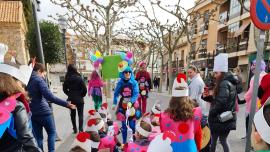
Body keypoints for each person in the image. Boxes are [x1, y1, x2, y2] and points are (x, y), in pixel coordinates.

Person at [0, 43, 41, 151]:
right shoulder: (16, 105)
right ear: (12, 82)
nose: (22, 85)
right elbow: (27, 139)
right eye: (19, 81)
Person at [27, 63, 76, 152]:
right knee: (51, 132)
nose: (44, 76)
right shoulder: (39, 80)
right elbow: (50, 97)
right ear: (39, 71)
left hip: (33, 113)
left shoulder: (26, 80)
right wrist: (67, 104)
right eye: (43, 74)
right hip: (44, 112)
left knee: (38, 137)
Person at [202, 53, 238, 152]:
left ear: (222, 73)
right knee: (222, 140)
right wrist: (207, 97)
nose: (215, 75)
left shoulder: (224, 83)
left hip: (220, 118)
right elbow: (221, 100)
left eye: (216, 73)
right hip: (226, 118)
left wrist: (212, 112)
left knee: (214, 140)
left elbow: (221, 102)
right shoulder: (228, 82)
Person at [160, 73, 202, 151]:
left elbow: (164, 136)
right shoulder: (195, 114)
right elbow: (198, 135)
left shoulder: (164, 116)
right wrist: (198, 149)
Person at [113, 60, 140, 144]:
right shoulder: (120, 83)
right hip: (123, 106)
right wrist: (114, 103)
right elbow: (116, 93)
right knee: (124, 126)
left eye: (129, 72)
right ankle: (124, 143)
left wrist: (131, 101)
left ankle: (134, 141)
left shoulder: (134, 83)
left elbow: (136, 94)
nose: (128, 73)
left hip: (133, 106)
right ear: (122, 73)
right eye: (125, 72)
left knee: (132, 125)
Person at [244, 60, 266, 136]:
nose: (252, 67)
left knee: (249, 121)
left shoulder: (255, 77)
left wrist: (245, 97)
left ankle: (249, 137)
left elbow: (251, 91)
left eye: (253, 65)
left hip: (253, 103)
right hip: (262, 103)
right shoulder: (265, 75)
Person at [63, 64, 87, 133]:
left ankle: (75, 129)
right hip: (79, 99)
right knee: (80, 115)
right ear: (75, 70)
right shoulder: (79, 78)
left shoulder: (67, 79)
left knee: (72, 115)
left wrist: (69, 94)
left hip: (71, 99)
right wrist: (82, 95)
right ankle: (81, 130)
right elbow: (85, 89)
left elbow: (64, 89)